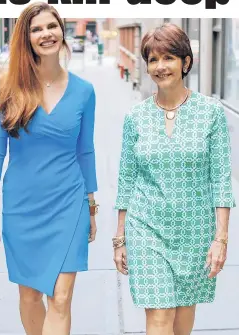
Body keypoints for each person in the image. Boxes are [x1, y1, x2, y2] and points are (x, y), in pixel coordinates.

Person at [0, 2, 98, 335]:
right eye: (36, 29)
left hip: (69, 203)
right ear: (26, 38)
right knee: (30, 295)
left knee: (61, 298)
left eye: (51, 26)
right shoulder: (6, 92)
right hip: (22, 206)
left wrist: (91, 206)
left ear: (62, 32)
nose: (45, 34)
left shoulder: (84, 92)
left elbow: (85, 151)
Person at [113, 23, 236, 335]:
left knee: (182, 318)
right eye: (153, 60)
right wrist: (120, 238)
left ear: (186, 62)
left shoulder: (211, 112)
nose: (160, 66)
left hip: (194, 232)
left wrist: (220, 239)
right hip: (147, 229)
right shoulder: (135, 116)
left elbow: (221, 180)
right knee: (159, 317)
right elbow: (126, 178)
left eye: (168, 57)